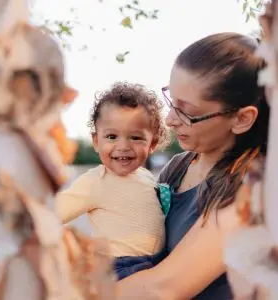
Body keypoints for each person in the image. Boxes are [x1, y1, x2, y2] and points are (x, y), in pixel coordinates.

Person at [115, 32, 270, 299]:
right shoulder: (178, 166)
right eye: (171, 101)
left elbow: (162, 289)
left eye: (188, 112)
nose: (170, 119)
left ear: (242, 118)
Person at [55, 82, 171, 279]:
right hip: (118, 266)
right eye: (112, 136)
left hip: (156, 263)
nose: (123, 146)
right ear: (96, 141)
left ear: (152, 143)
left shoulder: (147, 177)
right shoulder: (96, 181)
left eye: (135, 137)